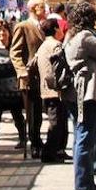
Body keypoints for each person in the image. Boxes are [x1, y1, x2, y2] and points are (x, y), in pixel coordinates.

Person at [64, 0, 96, 190]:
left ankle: (83, 181)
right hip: (87, 93)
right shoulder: (86, 38)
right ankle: (84, 184)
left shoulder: (73, 36)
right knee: (86, 136)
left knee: (80, 135)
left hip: (75, 93)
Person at [0, 20, 27, 152]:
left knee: (18, 117)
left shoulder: (15, 47)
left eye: (4, 30)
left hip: (14, 90)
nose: (1, 33)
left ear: (9, 32)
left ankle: (23, 139)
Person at [11, 0, 47, 158]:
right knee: (32, 112)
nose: (45, 9)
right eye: (41, 6)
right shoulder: (23, 27)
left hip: (43, 75)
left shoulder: (44, 26)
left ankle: (39, 140)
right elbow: (15, 52)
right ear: (33, 8)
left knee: (39, 111)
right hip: (29, 77)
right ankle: (34, 141)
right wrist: (21, 70)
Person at [32, 16, 70, 163]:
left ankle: (58, 151)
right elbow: (60, 67)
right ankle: (49, 153)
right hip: (55, 90)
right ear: (55, 30)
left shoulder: (42, 46)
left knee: (58, 121)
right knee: (56, 123)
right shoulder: (55, 46)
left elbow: (33, 65)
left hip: (46, 89)